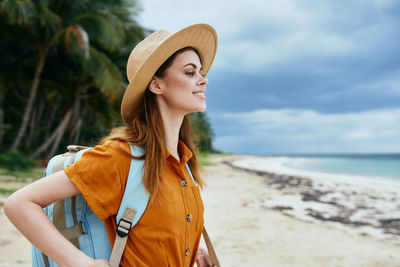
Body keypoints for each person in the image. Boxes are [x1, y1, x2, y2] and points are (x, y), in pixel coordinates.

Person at [4, 23, 218, 267]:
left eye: (201, 72)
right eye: (190, 73)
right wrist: (81, 263)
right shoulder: (121, 157)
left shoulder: (183, 161)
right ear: (156, 84)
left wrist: (190, 247)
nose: (204, 80)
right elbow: (19, 204)